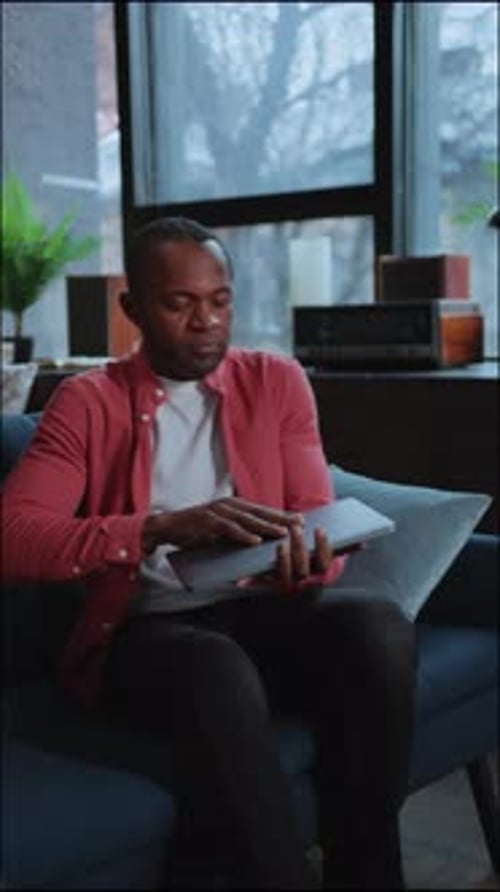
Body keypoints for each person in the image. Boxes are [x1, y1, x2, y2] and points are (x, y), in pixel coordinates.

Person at [2, 217, 416, 889]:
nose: (207, 322)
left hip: (261, 611)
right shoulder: (87, 402)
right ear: (133, 309)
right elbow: (12, 539)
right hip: (145, 632)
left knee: (380, 626)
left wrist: (314, 558)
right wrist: (158, 528)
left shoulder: (277, 382)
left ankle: (369, 876)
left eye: (220, 300)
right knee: (215, 666)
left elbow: (314, 520)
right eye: (180, 303)